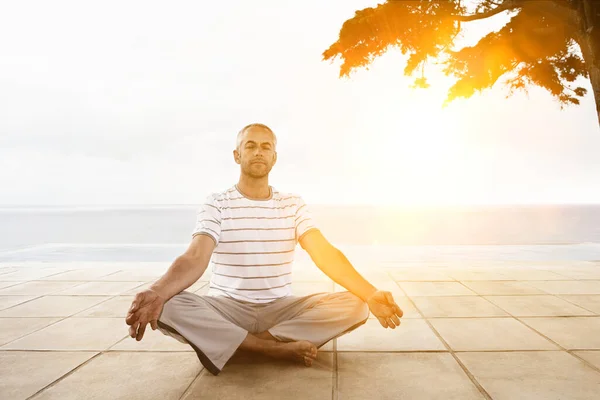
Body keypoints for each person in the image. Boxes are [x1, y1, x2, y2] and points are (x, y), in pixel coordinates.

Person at [125, 123, 404, 376]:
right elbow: (196, 257)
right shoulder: (217, 203)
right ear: (237, 155)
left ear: (274, 157)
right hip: (228, 309)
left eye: (266, 147)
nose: (258, 152)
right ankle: (272, 349)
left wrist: (370, 293)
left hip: (280, 309)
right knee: (170, 304)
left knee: (355, 302)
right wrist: (158, 291)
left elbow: (324, 253)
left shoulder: (292, 204)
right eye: (250, 145)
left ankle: (246, 344)